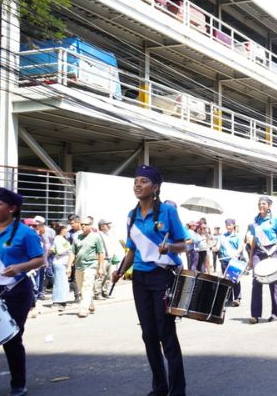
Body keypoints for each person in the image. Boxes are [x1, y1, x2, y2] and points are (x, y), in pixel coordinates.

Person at [111, 165, 188, 396]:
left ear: (155, 187)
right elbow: (132, 251)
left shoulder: (167, 212)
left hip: (163, 277)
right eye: (136, 180)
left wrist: (170, 247)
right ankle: (159, 387)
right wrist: (120, 269)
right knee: (148, 334)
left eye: (143, 181)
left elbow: (184, 244)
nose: (137, 184)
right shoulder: (131, 215)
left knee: (166, 334)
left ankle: (177, 390)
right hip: (140, 280)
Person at [0, 188, 45, 396]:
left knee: (11, 339)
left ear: (12, 209)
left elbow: (40, 259)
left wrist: (19, 267)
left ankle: (18, 384)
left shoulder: (25, 233)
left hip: (16, 292)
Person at [248, 196, 277, 324]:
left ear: (269, 206)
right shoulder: (255, 222)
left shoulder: (274, 221)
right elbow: (253, 240)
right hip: (259, 251)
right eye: (259, 204)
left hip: (272, 250)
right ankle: (255, 315)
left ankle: (275, 313)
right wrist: (251, 258)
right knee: (256, 280)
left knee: (273, 281)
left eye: (263, 204)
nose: (261, 206)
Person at [72, 216, 105, 318]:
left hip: (91, 265)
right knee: (82, 288)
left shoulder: (96, 237)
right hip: (79, 266)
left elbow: (100, 253)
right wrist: (69, 267)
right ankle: (90, 304)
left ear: (90, 225)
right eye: (81, 224)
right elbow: (72, 252)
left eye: (85, 224)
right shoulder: (77, 237)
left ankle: (83, 309)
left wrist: (100, 267)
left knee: (87, 287)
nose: (83, 226)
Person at [216, 219, 244, 306]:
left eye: (230, 225)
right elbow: (217, 247)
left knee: (235, 279)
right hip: (224, 259)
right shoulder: (222, 236)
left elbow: (240, 247)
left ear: (234, 225)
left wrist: (236, 253)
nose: (228, 227)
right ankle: (228, 298)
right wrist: (214, 248)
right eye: (227, 225)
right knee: (226, 279)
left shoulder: (238, 236)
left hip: (234, 260)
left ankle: (237, 298)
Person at [97, 218, 124, 299]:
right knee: (100, 276)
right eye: (107, 224)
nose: (109, 226)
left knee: (108, 276)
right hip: (103, 259)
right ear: (101, 226)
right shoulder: (98, 235)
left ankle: (104, 292)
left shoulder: (108, 234)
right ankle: (97, 293)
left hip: (110, 258)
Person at [51, 223, 73, 311]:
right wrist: (69, 249)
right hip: (60, 263)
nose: (67, 231)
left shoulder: (62, 238)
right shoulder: (58, 238)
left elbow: (52, 249)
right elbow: (59, 251)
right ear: (61, 229)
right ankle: (58, 301)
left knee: (63, 282)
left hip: (63, 263)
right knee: (60, 282)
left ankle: (62, 300)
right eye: (65, 229)